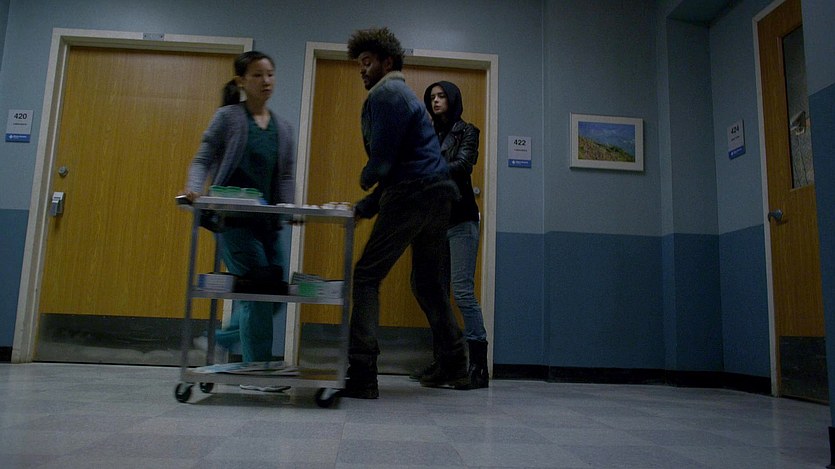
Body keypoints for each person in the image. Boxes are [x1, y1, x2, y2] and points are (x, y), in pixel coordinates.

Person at [342, 27, 469, 399]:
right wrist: (365, 207)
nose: (362, 70)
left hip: (413, 195)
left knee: (366, 276)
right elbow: (402, 164)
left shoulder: (386, 94)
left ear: (387, 63)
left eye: (367, 62)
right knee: (428, 284)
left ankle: (362, 373)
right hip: (437, 197)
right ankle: (455, 363)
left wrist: (365, 181)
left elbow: (383, 164)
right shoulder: (406, 96)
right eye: (360, 64)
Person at [182, 51, 295, 391]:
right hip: (233, 223)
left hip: (268, 224)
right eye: (257, 75)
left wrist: (289, 210)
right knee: (257, 292)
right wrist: (193, 188)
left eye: (270, 74)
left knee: (274, 292)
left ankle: (219, 338)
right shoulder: (228, 118)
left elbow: (284, 176)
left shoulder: (283, 128)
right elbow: (202, 158)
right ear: (241, 81)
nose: (266, 81)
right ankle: (256, 372)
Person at [422, 81, 489, 389]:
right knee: (437, 293)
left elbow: (462, 165)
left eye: (441, 96)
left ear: (452, 99)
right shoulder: (426, 133)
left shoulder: (467, 131)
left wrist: (427, 168)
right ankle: (446, 362)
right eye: (432, 97)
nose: (436, 101)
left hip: (461, 219)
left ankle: (478, 367)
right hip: (435, 222)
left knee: (462, 292)